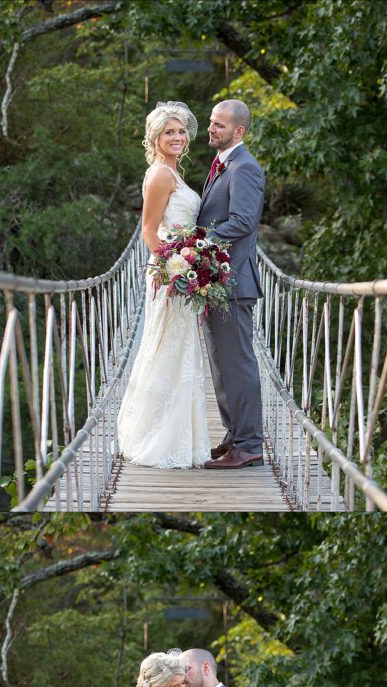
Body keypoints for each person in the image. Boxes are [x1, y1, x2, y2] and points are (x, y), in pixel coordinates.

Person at [117, 102, 211, 469]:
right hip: (169, 274)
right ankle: (157, 438)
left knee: (179, 350)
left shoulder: (173, 172)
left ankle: (181, 439)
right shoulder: (159, 174)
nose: (177, 137)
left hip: (180, 270)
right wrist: (176, 271)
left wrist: (191, 264)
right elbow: (148, 231)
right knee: (167, 348)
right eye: (169, 132)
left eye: (181, 131)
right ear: (155, 137)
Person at [198, 100, 266, 471]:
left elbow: (242, 222)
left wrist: (196, 243)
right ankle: (234, 435)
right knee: (221, 364)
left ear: (238, 131)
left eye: (219, 125)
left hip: (234, 282)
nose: (211, 129)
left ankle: (250, 445)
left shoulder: (245, 167)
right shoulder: (222, 164)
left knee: (237, 365)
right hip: (216, 282)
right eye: (211, 122)